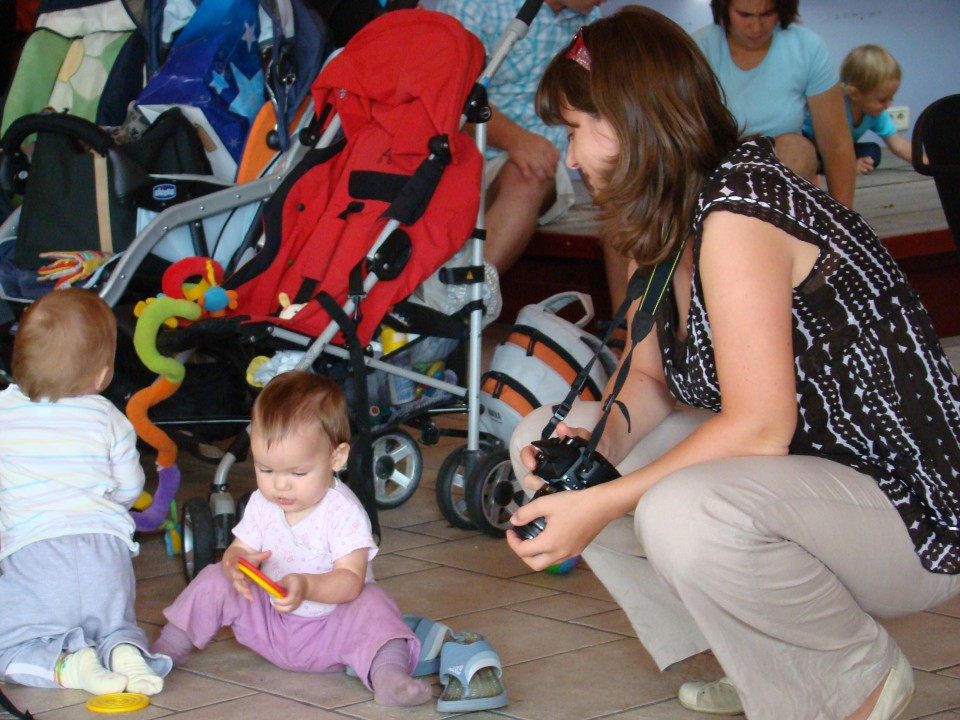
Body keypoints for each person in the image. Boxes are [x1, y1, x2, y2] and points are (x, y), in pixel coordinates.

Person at [506, 7, 960, 720]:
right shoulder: (663, 216)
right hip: (812, 482)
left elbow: (758, 429)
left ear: (631, 121)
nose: (568, 157)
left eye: (574, 131)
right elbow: (650, 383)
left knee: (684, 511)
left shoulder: (740, 211)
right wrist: (591, 454)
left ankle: (853, 679)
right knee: (543, 436)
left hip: (909, 509)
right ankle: (768, 667)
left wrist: (598, 503)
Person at [150, 370, 432, 707]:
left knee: (375, 605)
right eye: (265, 470)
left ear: (336, 458)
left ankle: (389, 678)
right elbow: (238, 549)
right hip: (272, 624)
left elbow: (349, 581)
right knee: (212, 578)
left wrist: (307, 586)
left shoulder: (343, 512)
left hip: (333, 631)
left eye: (297, 473)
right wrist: (234, 564)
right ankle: (164, 653)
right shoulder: (262, 503)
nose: (280, 485)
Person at [0, 288, 171, 696]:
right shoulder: (107, 417)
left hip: (35, 555)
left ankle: (69, 667)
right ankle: (125, 655)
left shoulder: (4, 414)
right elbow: (130, 487)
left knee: (13, 644)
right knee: (113, 625)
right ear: (100, 375)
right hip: (105, 554)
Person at [433, 0, 604, 275]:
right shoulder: (472, 5)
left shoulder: (590, 20)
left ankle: (467, 299)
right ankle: (459, 300)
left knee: (531, 173)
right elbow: (449, 95)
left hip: (538, 171)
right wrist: (516, 140)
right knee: (531, 167)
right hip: (458, 161)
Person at [693, 0, 856, 208]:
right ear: (724, 8)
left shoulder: (809, 48)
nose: (756, 27)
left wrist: (841, 221)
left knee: (797, 148)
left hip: (783, 182)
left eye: (767, 14)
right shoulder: (699, 49)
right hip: (716, 174)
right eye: (745, 15)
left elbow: (837, 146)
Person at [803, 44, 918, 176]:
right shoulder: (834, 106)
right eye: (882, 99)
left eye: (892, 97)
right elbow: (824, 145)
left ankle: (841, 164)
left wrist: (924, 162)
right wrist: (849, 166)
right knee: (807, 156)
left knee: (873, 151)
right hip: (814, 145)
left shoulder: (876, 113)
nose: (889, 103)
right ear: (855, 94)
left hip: (839, 149)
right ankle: (825, 167)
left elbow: (897, 143)